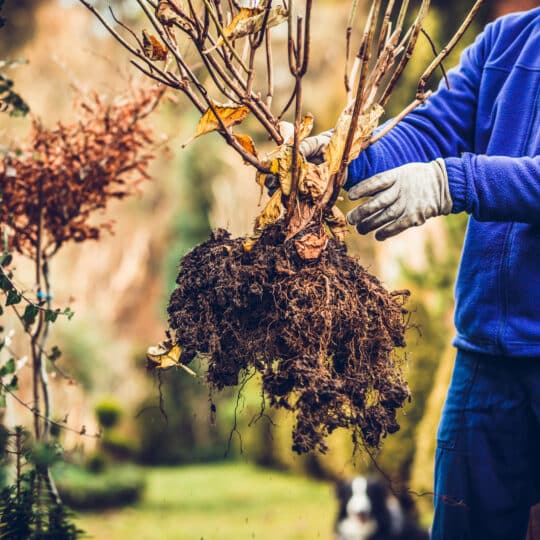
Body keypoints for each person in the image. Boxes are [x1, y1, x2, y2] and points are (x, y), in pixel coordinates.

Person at [299, 7, 540, 540]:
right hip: (485, 362)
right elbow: (432, 129)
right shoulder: (507, 40)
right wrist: (341, 161)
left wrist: (452, 183)